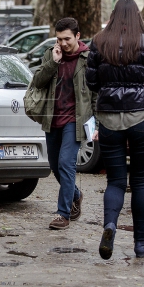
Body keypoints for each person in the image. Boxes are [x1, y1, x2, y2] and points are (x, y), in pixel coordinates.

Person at [85, 0, 144, 259]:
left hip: (108, 117)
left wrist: (108, 88)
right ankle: (140, 244)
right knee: (139, 180)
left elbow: (91, 80)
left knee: (115, 181)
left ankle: (109, 226)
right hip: (140, 115)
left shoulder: (98, 41)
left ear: (114, 15)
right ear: (136, 15)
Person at [30, 18, 96, 230]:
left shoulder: (88, 58)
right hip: (52, 118)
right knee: (55, 166)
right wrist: (53, 62)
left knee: (66, 163)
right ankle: (76, 195)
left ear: (77, 36)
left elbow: (96, 93)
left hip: (75, 119)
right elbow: (38, 81)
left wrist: (98, 124)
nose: (63, 43)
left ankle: (62, 213)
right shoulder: (51, 53)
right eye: (59, 39)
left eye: (67, 39)